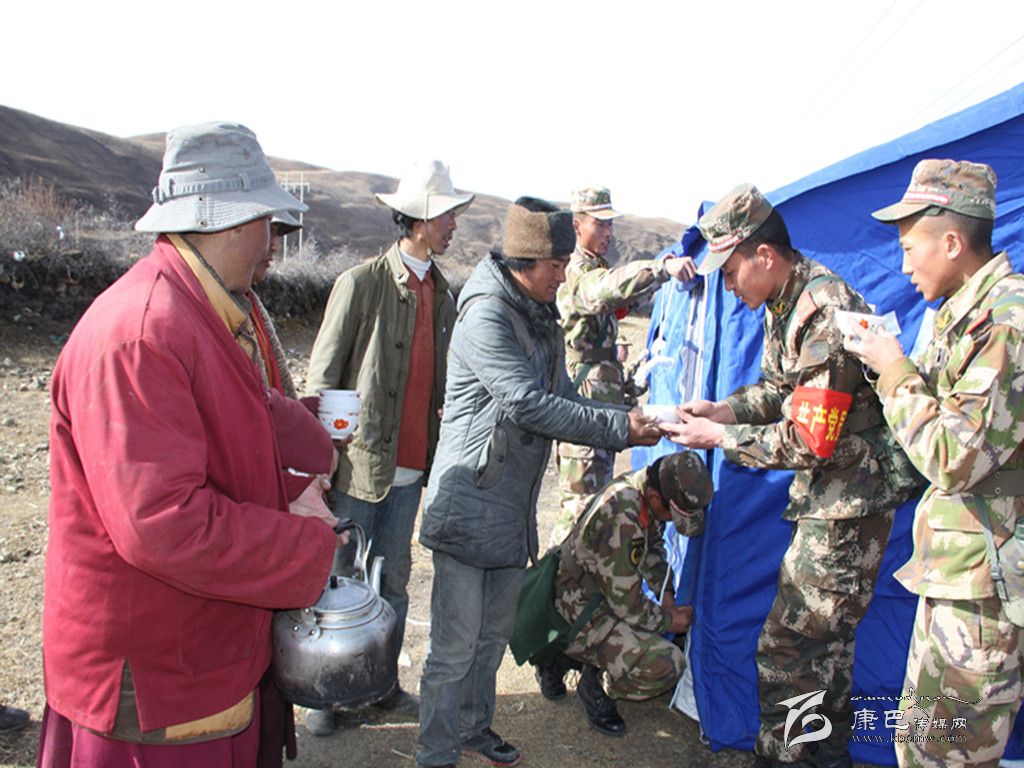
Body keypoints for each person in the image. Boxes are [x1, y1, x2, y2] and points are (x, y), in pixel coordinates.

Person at [37, 122, 344, 768]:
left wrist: (297, 476)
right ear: (233, 222)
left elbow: (232, 431)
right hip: (154, 679)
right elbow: (162, 524)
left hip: (193, 647)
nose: (274, 244)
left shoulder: (197, 312)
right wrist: (307, 545)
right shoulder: (144, 333)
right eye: (269, 224)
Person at [659, 183, 917, 768]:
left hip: (849, 503)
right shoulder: (789, 303)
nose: (728, 286)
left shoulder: (821, 312)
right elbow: (782, 392)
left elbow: (809, 439)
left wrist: (719, 438)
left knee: (791, 647)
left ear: (764, 255)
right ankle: (822, 755)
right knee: (824, 651)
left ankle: (788, 755)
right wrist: (725, 411)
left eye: (731, 272)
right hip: (836, 498)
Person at [415, 197, 662, 768]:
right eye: (557, 265)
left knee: (490, 637)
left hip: (509, 507)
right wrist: (619, 428)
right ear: (526, 262)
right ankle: (435, 752)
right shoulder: (487, 316)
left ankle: (474, 729)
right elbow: (528, 403)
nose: (564, 275)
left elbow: (566, 394)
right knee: (454, 645)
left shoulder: (538, 314)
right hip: (470, 501)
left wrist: (628, 415)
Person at [843, 159, 1024, 768]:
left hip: (986, 591)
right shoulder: (960, 315)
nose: (903, 266)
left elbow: (953, 456)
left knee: (949, 755)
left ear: (951, 243)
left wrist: (894, 368)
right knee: (922, 744)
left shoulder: (1005, 324)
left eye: (908, 248)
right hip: (959, 575)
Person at [304, 159, 472, 733]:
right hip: (357, 467)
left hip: (411, 468)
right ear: (419, 219)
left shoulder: (444, 294)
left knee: (393, 580)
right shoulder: (360, 284)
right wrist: (322, 460)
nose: (453, 225)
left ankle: (379, 688)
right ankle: (326, 696)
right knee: (339, 578)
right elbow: (323, 378)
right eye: (446, 215)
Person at [552, 186, 698, 544]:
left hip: (601, 399)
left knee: (596, 506)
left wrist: (630, 382)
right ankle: (554, 577)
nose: (608, 232)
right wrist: (661, 268)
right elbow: (606, 289)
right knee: (579, 508)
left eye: (610, 225)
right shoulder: (575, 271)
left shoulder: (594, 266)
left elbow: (617, 304)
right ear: (576, 225)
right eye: (599, 224)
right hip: (583, 403)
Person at [539, 451, 713, 737]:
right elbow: (628, 606)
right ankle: (597, 683)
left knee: (651, 629)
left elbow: (652, 547)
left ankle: (564, 658)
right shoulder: (624, 516)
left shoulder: (644, 486)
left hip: (591, 598)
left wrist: (666, 592)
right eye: (672, 515)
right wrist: (670, 619)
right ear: (656, 499)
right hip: (578, 613)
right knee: (667, 663)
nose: (671, 522)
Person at [249, 212, 302, 398]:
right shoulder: (217, 309)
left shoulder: (250, 306)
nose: (274, 246)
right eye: (268, 232)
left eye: (276, 234)